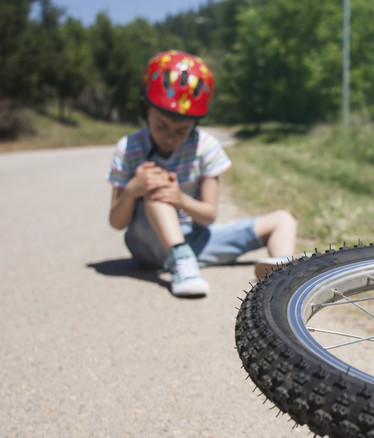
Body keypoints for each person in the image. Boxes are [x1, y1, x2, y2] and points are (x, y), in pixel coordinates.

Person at [106, 50, 297, 297]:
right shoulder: (129, 147)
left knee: (283, 219)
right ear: (146, 111)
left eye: (181, 130)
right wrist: (133, 189)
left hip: (196, 240)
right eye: (161, 125)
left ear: (195, 124)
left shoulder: (205, 146)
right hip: (147, 244)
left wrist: (181, 199)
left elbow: (208, 215)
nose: (170, 136)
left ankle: (284, 274)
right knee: (157, 185)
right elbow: (116, 222)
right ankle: (180, 261)